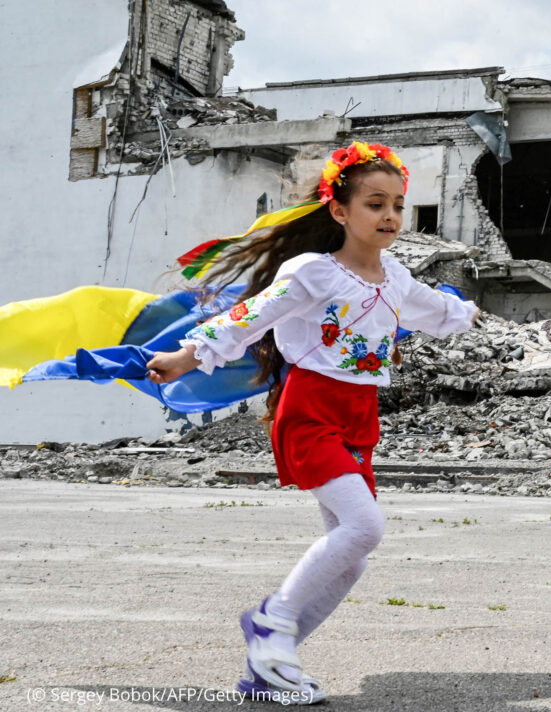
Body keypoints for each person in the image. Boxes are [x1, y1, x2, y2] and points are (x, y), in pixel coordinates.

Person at [145, 141, 479, 705]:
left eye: (398, 205)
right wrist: (189, 355)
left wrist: (469, 312)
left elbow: (435, 309)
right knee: (365, 528)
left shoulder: (394, 278)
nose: (391, 217)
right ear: (340, 211)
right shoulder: (313, 273)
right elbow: (249, 318)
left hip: (359, 417)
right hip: (311, 410)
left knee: (351, 560)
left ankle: (267, 668)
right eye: (375, 204)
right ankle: (271, 624)